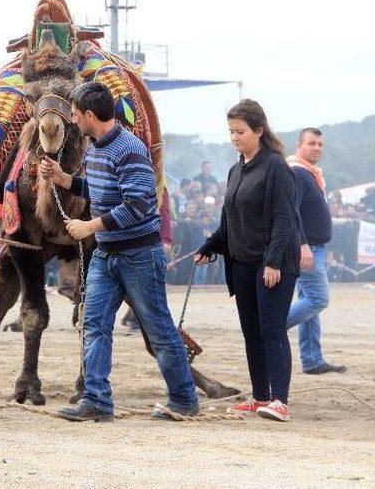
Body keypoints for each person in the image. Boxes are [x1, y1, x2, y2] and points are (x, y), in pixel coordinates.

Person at [40, 81, 198, 422]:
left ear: (91, 115)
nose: (72, 120)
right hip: (107, 255)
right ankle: (97, 400)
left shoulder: (129, 149)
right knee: (94, 323)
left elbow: (138, 205)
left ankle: (184, 399)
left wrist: (90, 227)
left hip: (138, 255)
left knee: (157, 329)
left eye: (76, 114)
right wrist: (64, 179)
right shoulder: (94, 148)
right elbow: (97, 189)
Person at [196, 99, 300, 422]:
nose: (235, 137)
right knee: (251, 332)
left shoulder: (276, 167)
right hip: (241, 262)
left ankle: (279, 401)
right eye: (231, 132)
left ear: (258, 130)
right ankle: (260, 396)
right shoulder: (235, 169)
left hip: (272, 264)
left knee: (272, 329)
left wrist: (273, 261)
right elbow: (229, 219)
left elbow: (284, 219)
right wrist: (211, 244)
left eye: (240, 131)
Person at [286, 128, 346, 374]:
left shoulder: (311, 174)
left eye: (320, 144)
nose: (317, 148)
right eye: (312, 143)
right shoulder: (298, 173)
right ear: (299, 145)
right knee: (318, 299)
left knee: (308, 302)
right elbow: (292, 212)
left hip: (315, 246)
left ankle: (312, 359)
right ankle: (270, 326)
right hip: (307, 248)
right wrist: (303, 246)